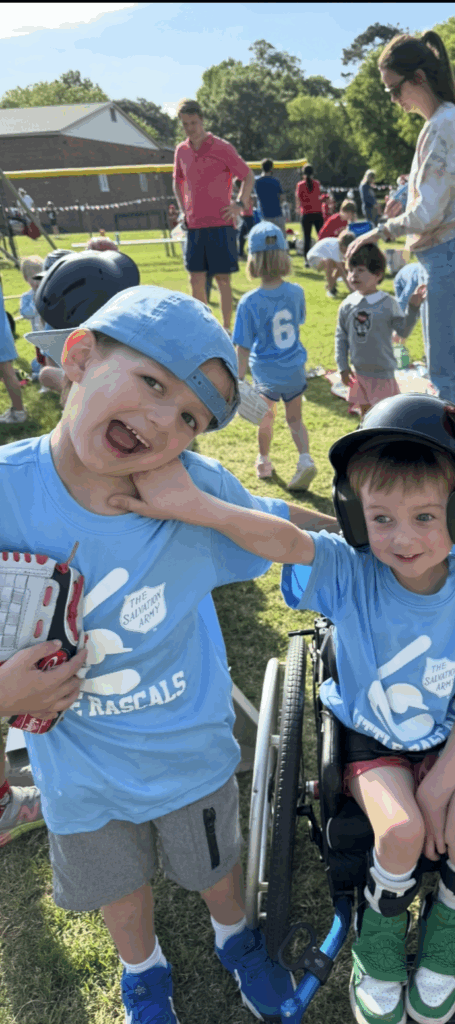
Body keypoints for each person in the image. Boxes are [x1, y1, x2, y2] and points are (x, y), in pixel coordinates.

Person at [108, 392, 455, 1024]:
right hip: (368, 741)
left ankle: (446, 939)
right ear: (353, 517)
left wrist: (441, 788)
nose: (402, 539)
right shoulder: (350, 572)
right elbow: (285, 541)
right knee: (400, 831)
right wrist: (194, 506)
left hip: (445, 738)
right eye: (381, 519)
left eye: (426, 518)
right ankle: (378, 945)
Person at [0, 279, 339, 1020]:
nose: (161, 421)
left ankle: (235, 937)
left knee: (215, 866)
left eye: (188, 416)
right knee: (120, 885)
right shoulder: (7, 493)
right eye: (151, 382)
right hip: (80, 776)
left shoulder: (196, 490)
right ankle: (143, 970)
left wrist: (379, 538)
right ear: (81, 355)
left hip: (189, 753)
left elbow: (291, 532)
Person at [346, 31, 455, 415]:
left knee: (445, 371)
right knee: (438, 357)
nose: (393, 100)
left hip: (448, 253)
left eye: (394, 89)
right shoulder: (441, 123)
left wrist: (378, 230)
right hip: (440, 253)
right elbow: (434, 196)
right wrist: (405, 198)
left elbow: (429, 214)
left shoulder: (445, 125)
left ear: (419, 78)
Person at [233, 220, 317, 489]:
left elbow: (243, 346)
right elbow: (298, 321)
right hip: (293, 367)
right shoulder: (296, 292)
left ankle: (263, 461)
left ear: (253, 259)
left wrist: (238, 379)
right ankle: (305, 459)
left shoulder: (249, 302)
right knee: (295, 419)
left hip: (266, 372)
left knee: (265, 419)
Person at [173, 98, 255, 331]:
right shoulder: (181, 151)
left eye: (194, 123)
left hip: (221, 223)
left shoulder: (222, 147)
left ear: (202, 121)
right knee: (195, 280)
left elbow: (248, 176)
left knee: (222, 280)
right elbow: (177, 183)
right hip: (194, 225)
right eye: (186, 124)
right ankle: (205, 330)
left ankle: (227, 329)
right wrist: (183, 211)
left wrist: (239, 204)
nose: (190, 128)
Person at [337, 243, 426, 418]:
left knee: (385, 417)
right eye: (350, 270)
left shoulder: (388, 303)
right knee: (366, 417)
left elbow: (402, 331)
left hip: (382, 374)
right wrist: (342, 367)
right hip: (359, 373)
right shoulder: (347, 305)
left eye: (360, 270)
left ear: (377, 274)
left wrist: (413, 308)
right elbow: (341, 338)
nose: (353, 275)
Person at [0, 271, 28, 425]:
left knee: (7, 372)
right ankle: (17, 411)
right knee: (6, 372)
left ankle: (19, 412)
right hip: (2, 330)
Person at [307, 226, 356, 299]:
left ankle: (331, 283)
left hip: (324, 259)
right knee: (330, 261)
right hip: (313, 259)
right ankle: (330, 289)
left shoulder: (340, 247)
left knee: (344, 265)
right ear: (342, 246)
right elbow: (342, 272)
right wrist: (351, 290)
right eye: (347, 249)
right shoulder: (335, 248)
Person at [295, 164, 324, 263]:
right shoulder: (317, 184)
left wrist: (298, 209)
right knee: (321, 236)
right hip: (317, 213)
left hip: (306, 213)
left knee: (306, 238)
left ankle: (307, 260)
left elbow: (298, 199)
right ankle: (323, 256)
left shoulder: (300, 185)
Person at [254, 158, 286, 235]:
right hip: (277, 212)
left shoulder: (257, 181)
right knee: (280, 237)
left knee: (266, 238)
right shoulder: (276, 181)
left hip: (263, 213)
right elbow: (282, 197)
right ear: (271, 168)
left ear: (261, 167)